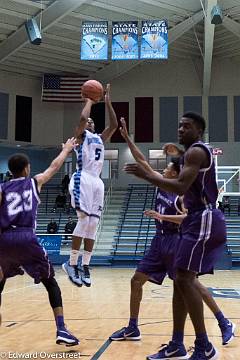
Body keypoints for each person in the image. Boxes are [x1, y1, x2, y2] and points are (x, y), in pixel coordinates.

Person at [110, 118, 235, 348]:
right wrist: (127, 138)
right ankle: (133, 326)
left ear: (177, 171)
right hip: (159, 242)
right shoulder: (161, 183)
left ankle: (222, 321)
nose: (163, 168)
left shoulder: (181, 193)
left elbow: (188, 216)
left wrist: (163, 217)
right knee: (137, 280)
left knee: (190, 283)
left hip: (177, 239)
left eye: (168, 166)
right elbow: (141, 160)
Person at [0, 138, 80, 346]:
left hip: (5, 239)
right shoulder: (35, 182)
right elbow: (54, 166)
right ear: (27, 169)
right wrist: (66, 149)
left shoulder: (2, 188)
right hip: (27, 237)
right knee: (50, 282)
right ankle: (61, 329)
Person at [62, 84, 118, 287]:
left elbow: (113, 125)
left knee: (93, 224)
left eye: (93, 122)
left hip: (97, 181)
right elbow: (82, 119)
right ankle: (71, 263)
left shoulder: (99, 139)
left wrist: (108, 101)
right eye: (89, 122)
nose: (90, 123)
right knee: (84, 220)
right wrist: (89, 101)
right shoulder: (80, 137)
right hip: (82, 178)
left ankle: (85, 265)